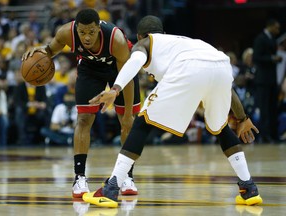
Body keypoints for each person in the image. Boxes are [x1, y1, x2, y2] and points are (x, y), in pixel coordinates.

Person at [83, 15, 263, 208]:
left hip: (189, 67)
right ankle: (249, 188)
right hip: (221, 64)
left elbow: (135, 60)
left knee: (142, 123)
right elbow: (228, 87)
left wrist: (115, 89)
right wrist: (242, 118)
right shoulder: (182, 42)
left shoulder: (145, 43)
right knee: (221, 128)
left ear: (140, 35)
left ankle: (111, 189)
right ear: (164, 33)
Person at [22, 9, 141, 198]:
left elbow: (126, 74)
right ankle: (79, 177)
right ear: (76, 29)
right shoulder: (66, 32)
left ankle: (126, 175)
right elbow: (51, 49)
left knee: (126, 121)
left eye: (91, 32)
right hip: (89, 69)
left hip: (120, 71)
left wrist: (127, 114)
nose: (86, 37)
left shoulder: (115, 39)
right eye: (82, 32)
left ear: (98, 29)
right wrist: (40, 51)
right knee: (84, 119)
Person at [253, 18, 282, 143]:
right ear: (270, 26)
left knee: (272, 108)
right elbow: (256, 57)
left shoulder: (272, 39)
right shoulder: (260, 39)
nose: (278, 30)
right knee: (264, 109)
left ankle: (273, 134)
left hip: (272, 80)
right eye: (276, 27)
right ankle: (264, 136)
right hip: (263, 80)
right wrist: (271, 58)